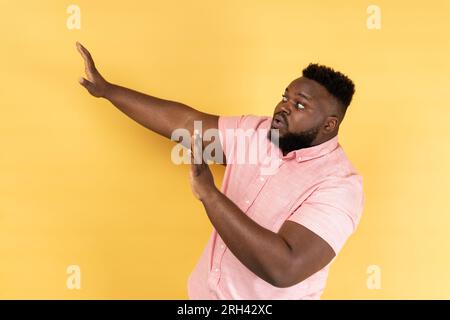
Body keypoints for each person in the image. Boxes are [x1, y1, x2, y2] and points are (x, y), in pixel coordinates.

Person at [76, 42, 364, 299]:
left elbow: (285, 268)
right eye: (285, 97)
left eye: (299, 105)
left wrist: (210, 195)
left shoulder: (339, 186)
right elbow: (188, 125)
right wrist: (108, 91)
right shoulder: (259, 133)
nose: (283, 108)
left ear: (329, 125)